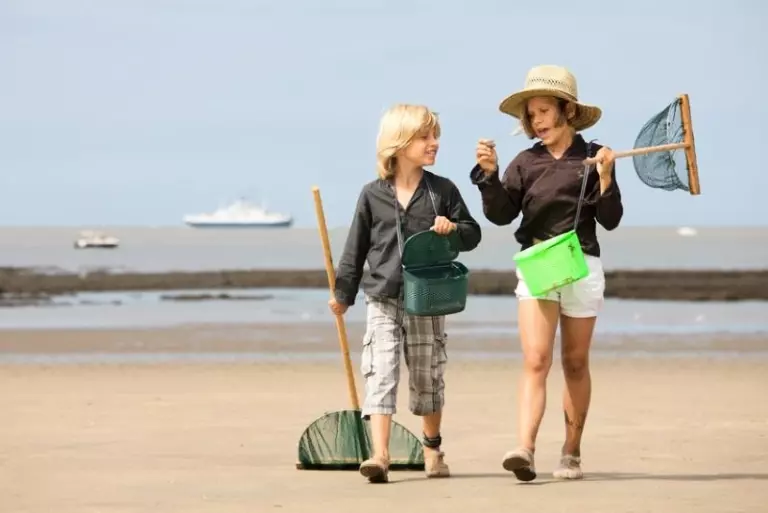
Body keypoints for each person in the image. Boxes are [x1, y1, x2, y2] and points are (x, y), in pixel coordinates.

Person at [469, 65, 623, 481]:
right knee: (536, 359)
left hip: (583, 265)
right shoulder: (525, 162)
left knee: (574, 362)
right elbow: (501, 214)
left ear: (566, 110)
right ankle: (525, 449)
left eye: (543, 111)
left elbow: (610, 220)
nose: (536, 120)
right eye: (531, 114)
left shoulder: (595, 156)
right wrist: (489, 176)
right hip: (538, 263)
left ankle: (571, 452)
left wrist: (606, 178)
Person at [329, 103, 482, 483]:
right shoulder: (372, 194)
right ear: (398, 143)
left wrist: (453, 229)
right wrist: (343, 294)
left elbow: (472, 234)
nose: (434, 143)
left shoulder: (442, 191)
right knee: (380, 371)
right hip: (382, 297)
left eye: (435, 136)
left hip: (428, 297)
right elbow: (354, 249)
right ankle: (380, 456)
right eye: (425, 136)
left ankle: (432, 449)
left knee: (427, 377)